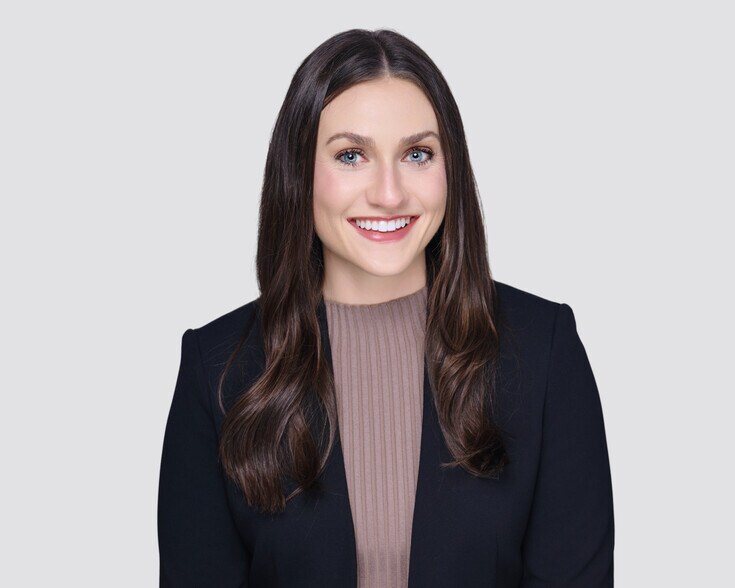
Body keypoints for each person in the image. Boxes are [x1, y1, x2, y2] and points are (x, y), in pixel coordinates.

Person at [157, 28, 615, 587]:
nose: (390, 193)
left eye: (417, 154)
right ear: (299, 173)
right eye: (351, 156)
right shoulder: (216, 368)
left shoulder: (543, 350)